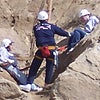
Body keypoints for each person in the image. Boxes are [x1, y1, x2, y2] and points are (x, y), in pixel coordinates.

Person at [20, 10, 71, 92]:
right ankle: (46, 85)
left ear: (39, 19)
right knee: (49, 68)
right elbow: (61, 32)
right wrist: (69, 34)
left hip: (41, 50)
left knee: (34, 67)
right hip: (51, 50)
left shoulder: (35, 27)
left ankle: (29, 84)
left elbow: (40, 35)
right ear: (47, 19)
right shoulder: (51, 26)